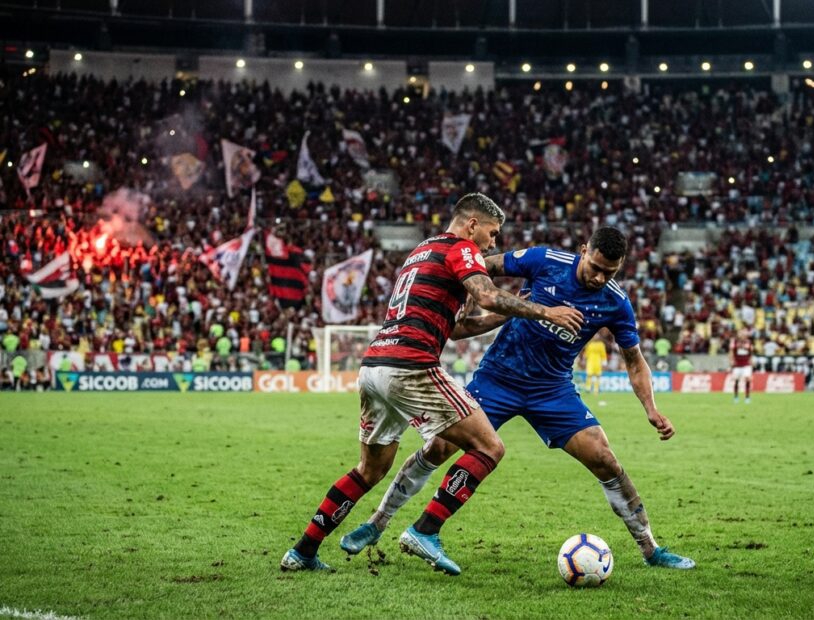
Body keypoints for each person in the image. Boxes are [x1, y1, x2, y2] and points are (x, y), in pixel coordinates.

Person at [340, 227, 694, 571]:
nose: (600, 278)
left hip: (552, 389)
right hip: (498, 377)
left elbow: (634, 360)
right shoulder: (544, 260)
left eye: (609, 272)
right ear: (584, 250)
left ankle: (651, 549)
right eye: (596, 268)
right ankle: (378, 521)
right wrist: (462, 300)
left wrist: (651, 408)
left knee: (605, 459)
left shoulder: (615, 302)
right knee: (438, 449)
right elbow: (481, 265)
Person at [280, 193, 583, 575]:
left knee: (369, 470)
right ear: (472, 224)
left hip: (374, 366)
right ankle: (425, 530)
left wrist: (516, 315)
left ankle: (303, 550)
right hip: (411, 365)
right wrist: (545, 311)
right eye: (492, 233)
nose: (493, 243)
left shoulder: (423, 250)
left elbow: (458, 329)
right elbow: (488, 296)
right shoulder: (462, 248)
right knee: (489, 446)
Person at [729, 329, 753, 404]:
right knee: (736, 380)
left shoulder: (749, 342)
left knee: (748, 379)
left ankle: (747, 397)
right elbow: (731, 352)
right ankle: (736, 397)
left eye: (744, 334)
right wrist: (731, 360)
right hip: (737, 364)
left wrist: (751, 360)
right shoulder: (734, 342)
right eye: (741, 334)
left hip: (746, 364)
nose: (742, 335)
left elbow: (751, 352)